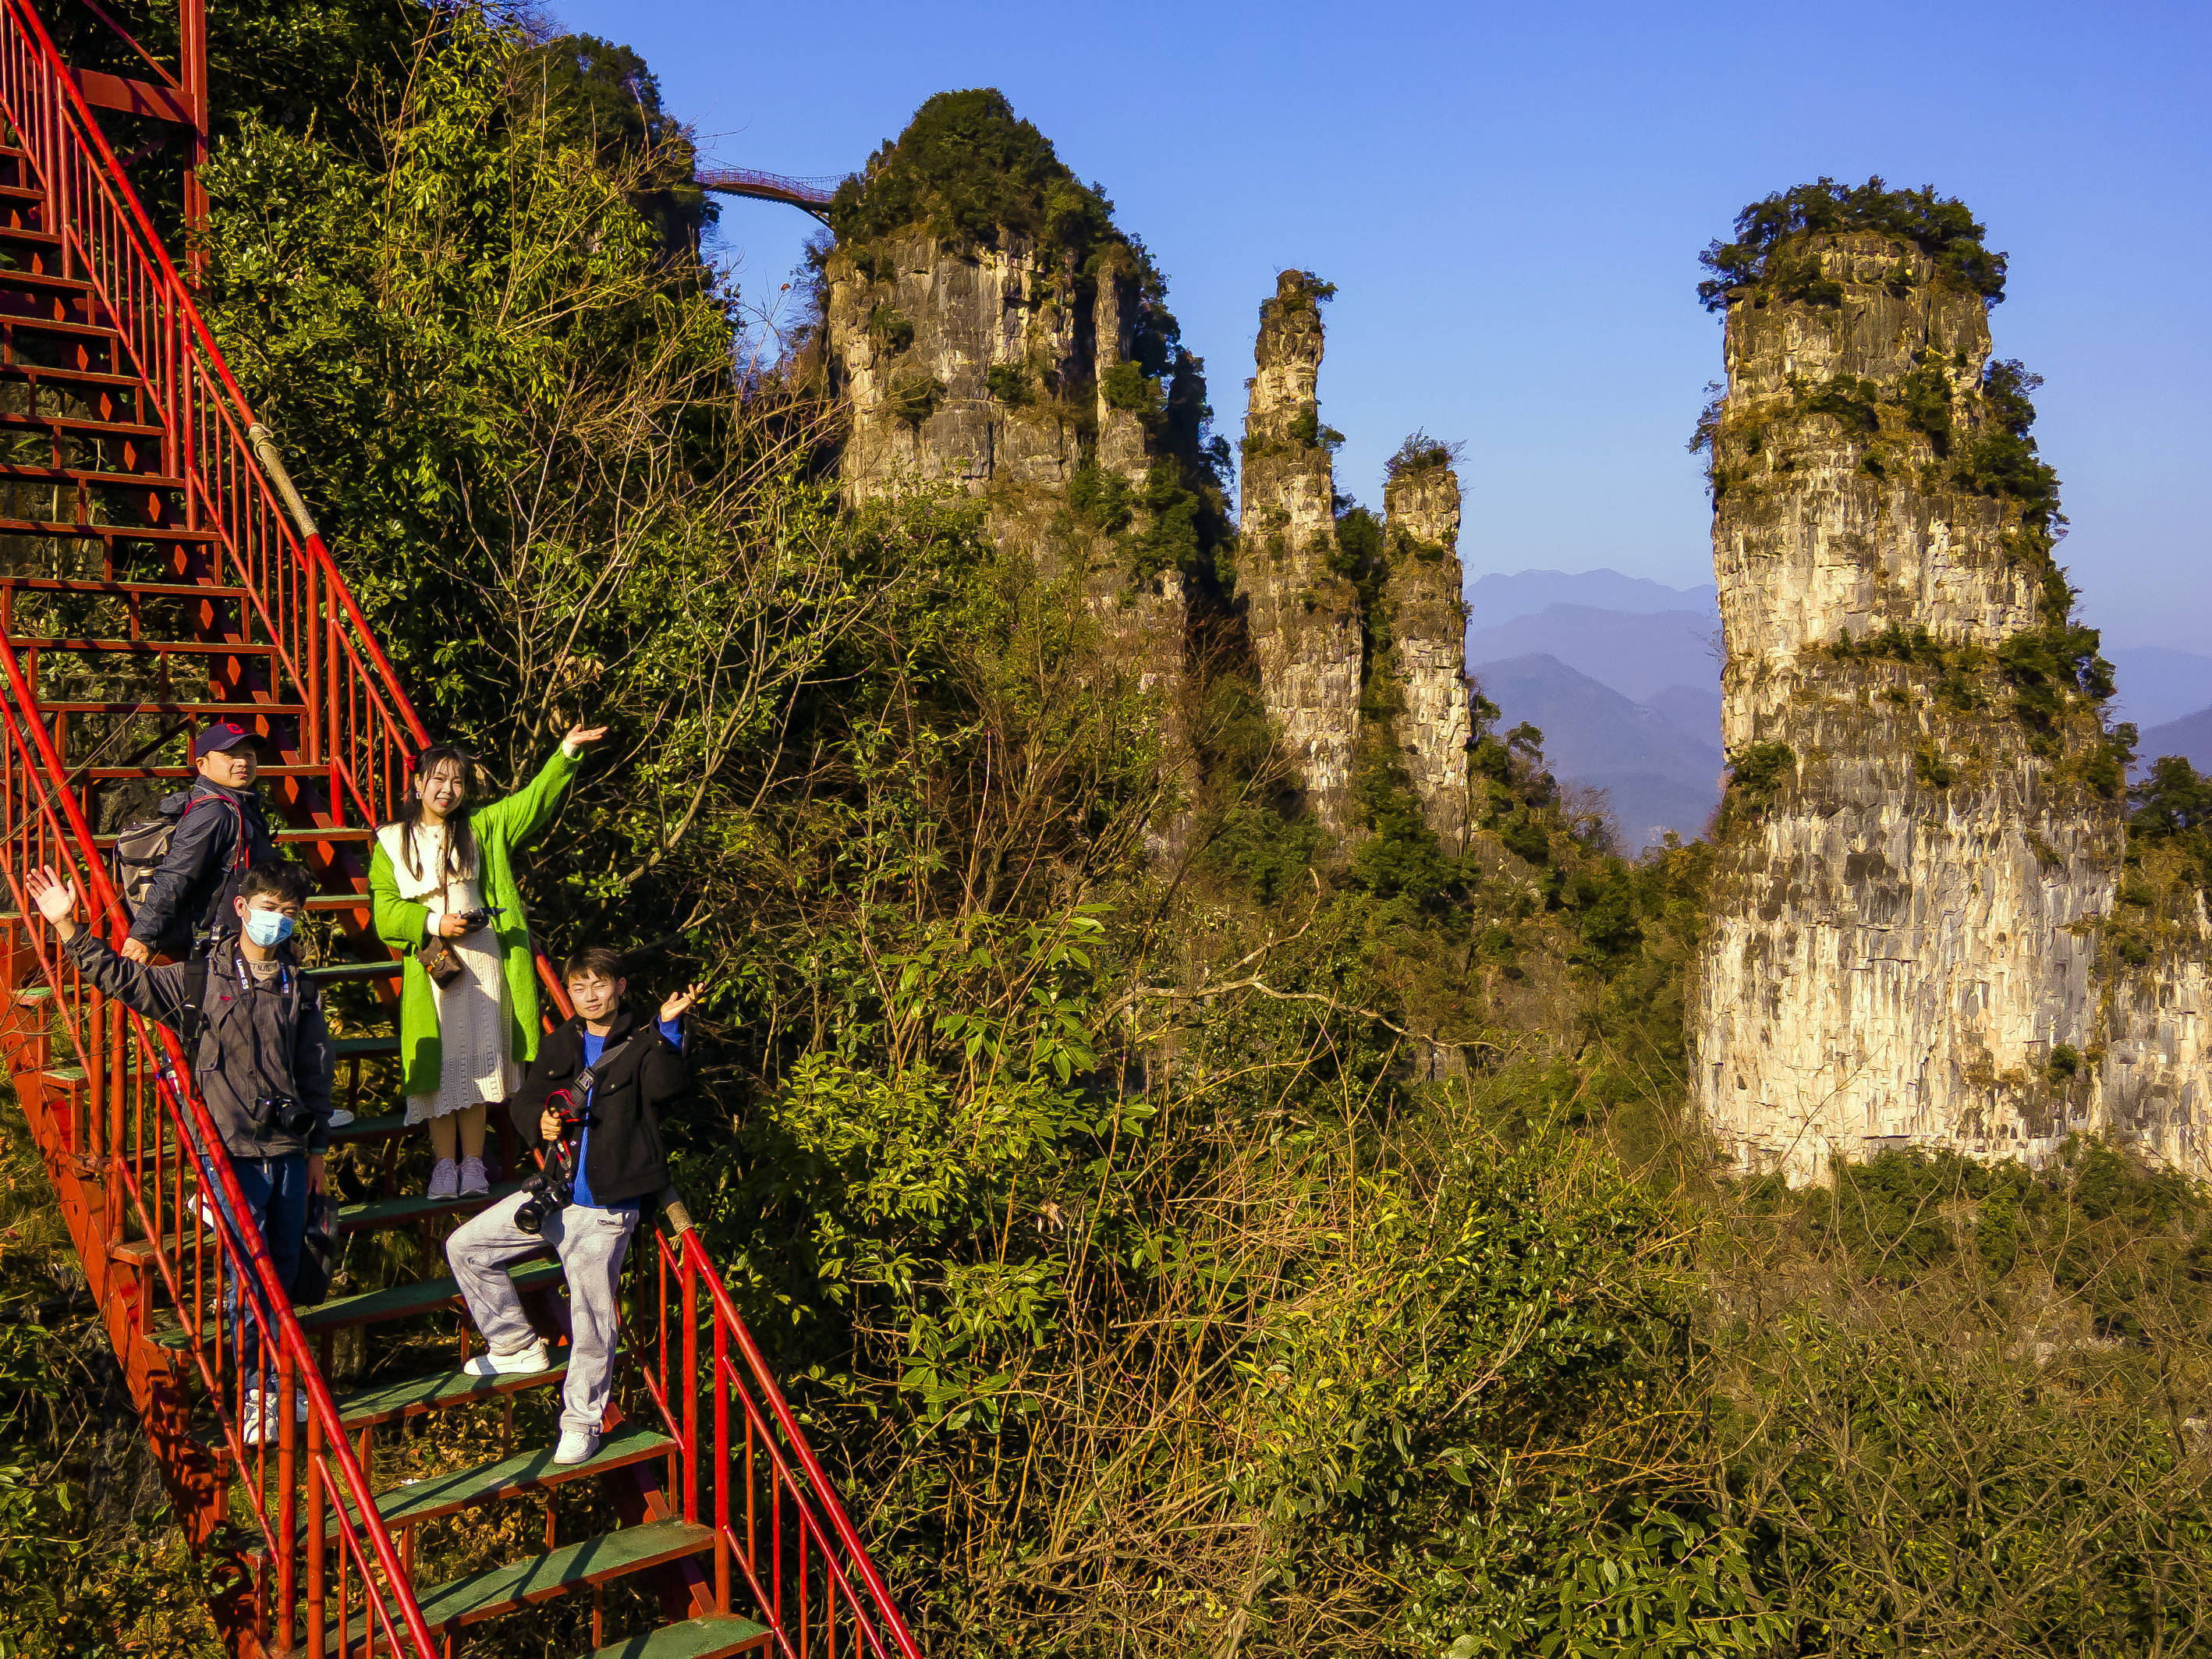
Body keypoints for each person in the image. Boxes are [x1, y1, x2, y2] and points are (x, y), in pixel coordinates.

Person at [26, 860, 331, 1447]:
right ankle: (256, 1390)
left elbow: (316, 1073)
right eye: (269, 907)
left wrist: (317, 1146)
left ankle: (274, 1380)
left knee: (286, 1269)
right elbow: (120, 978)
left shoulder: (300, 986)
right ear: (242, 907)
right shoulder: (198, 980)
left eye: (289, 913)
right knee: (249, 1274)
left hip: (289, 1151)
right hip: (229, 1150)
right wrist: (68, 928)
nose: (278, 921)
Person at [445, 948, 697, 1465]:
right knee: (466, 1245)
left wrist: (671, 1031)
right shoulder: (562, 1039)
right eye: (579, 986)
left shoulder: (645, 1041)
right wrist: (540, 1121)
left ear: (620, 986)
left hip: (608, 1204)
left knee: (591, 1317)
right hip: (555, 1191)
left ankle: (581, 1421)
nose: (588, 995)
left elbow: (668, 1090)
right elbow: (526, 1100)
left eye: (598, 985)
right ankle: (515, 1343)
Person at [370, 725, 607, 1200]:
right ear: (417, 785)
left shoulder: (481, 827)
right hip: (433, 967)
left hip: (484, 965)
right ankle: (443, 1167)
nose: (447, 790)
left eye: (457, 782)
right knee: (438, 1069)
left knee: (477, 1066)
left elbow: (532, 802)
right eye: (437, 779)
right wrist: (435, 923)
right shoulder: (391, 840)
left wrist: (565, 753)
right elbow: (384, 913)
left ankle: (473, 1163)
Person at [122, 718, 277, 964]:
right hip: (224, 949)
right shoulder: (213, 813)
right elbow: (176, 875)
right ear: (202, 766)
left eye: (249, 755)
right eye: (229, 756)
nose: (243, 762)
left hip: (249, 939)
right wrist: (144, 935)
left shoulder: (243, 805)